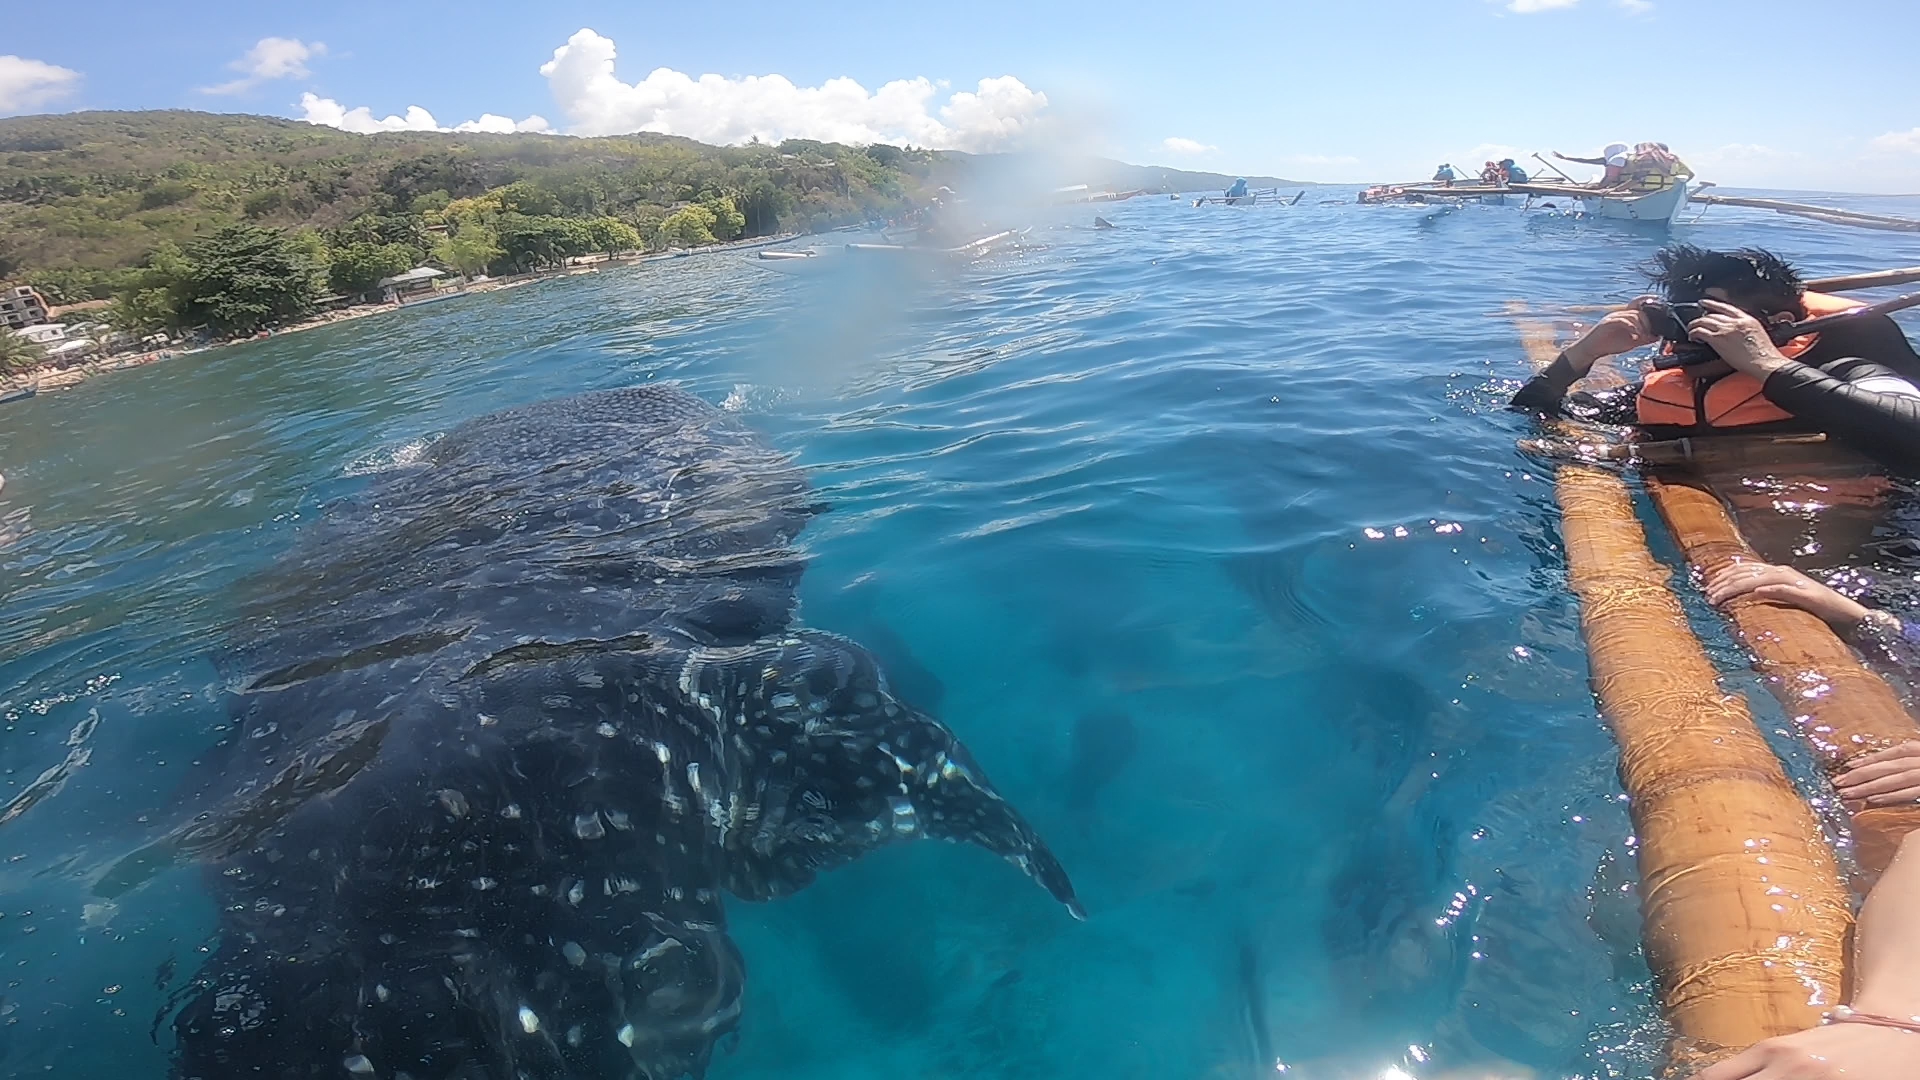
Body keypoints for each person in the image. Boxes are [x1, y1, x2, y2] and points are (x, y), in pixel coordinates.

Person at [1510, 245, 1920, 472]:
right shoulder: (1687, 382)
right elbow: (1533, 415)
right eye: (1680, 318)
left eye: (1707, 316)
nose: (1689, 335)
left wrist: (1767, 365)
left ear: (1775, 324)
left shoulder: (1846, 365)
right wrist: (1582, 355)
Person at [1554, 142, 1632, 187]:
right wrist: (1565, 158)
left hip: (1617, 188)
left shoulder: (1618, 159)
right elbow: (1586, 160)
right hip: (1621, 187)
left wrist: (1599, 187)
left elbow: (1610, 178)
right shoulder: (1607, 160)